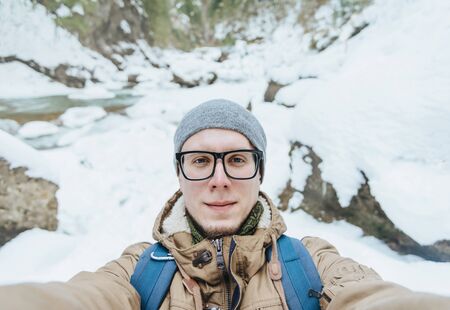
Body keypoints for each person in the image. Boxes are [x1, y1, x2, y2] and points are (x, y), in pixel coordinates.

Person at [0, 99, 449, 310]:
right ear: (180, 173)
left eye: (237, 160)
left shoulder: (310, 263)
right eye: (200, 161)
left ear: (260, 172)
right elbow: (80, 300)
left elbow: (373, 300)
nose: (218, 180)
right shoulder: (138, 270)